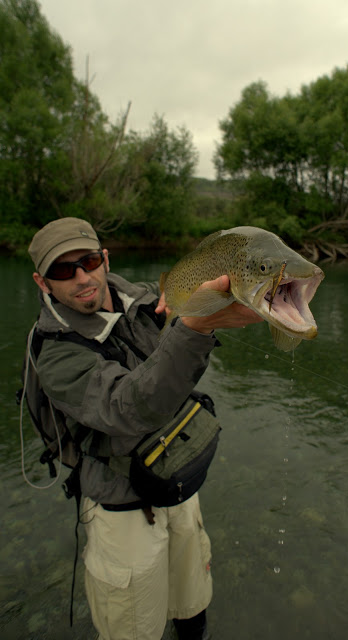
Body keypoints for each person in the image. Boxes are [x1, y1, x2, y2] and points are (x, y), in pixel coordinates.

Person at [28, 217, 263, 640]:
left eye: (88, 261)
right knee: (134, 628)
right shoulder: (54, 355)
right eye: (63, 270)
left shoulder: (141, 298)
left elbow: (175, 361)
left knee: (193, 599)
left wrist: (188, 316)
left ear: (104, 258)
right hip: (121, 509)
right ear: (42, 283)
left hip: (176, 480)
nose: (82, 277)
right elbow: (129, 407)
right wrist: (195, 327)